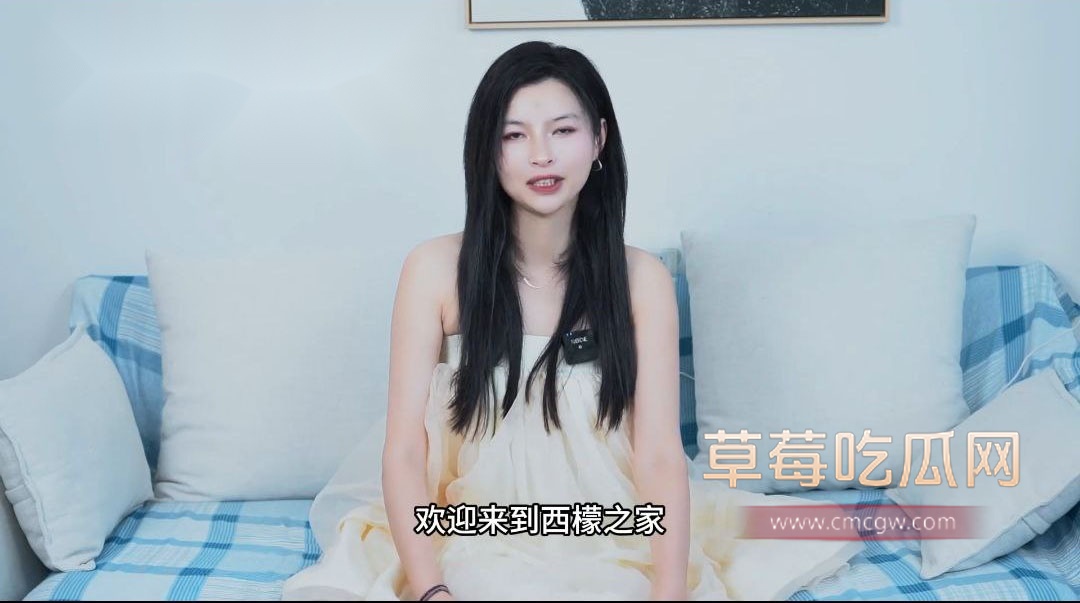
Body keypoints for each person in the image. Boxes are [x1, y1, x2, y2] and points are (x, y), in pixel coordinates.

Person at [282, 41, 861, 602]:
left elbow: (658, 454)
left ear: (599, 139)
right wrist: (433, 590)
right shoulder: (433, 269)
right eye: (514, 135)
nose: (542, 155)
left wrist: (669, 591)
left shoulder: (642, 279)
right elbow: (405, 451)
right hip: (471, 530)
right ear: (486, 150)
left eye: (562, 130)